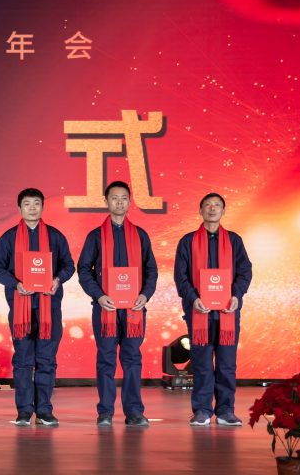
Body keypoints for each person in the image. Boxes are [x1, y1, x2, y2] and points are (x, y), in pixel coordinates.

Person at [0, 188, 74, 426]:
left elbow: (69, 265)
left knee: (47, 360)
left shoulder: (55, 236)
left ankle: (44, 410)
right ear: (19, 208)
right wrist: (16, 284)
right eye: (27, 204)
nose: (32, 208)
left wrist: (57, 279)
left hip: (49, 309)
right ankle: (24, 411)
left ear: (43, 207)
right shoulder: (9, 238)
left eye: (36, 203)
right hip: (21, 309)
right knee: (23, 360)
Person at [77, 181, 157, 427]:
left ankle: (134, 412)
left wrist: (145, 294)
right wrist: (99, 296)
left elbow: (151, 270)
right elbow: (84, 270)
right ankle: (105, 412)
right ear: (106, 201)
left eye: (124, 198)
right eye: (114, 198)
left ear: (129, 201)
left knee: (132, 359)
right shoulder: (95, 236)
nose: (119, 202)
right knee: (106, 360)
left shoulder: (140, 235)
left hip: (134, 310)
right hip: (106, 310)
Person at [173, 192, 252, 427]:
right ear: (200, 210)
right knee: (202, 364)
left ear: (223, 211)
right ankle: (202, 410)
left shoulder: (235, 241)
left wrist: (237, 295)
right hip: (199, 312)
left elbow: (245, 271)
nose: (212, 208)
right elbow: (180, 276)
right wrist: (193, 298)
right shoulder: (187, 242)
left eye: (217, 205)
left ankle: (226, 410)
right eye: (208, 205)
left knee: (227, 364)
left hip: (227, 313)